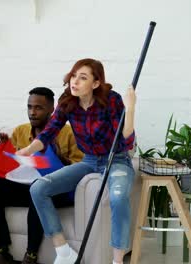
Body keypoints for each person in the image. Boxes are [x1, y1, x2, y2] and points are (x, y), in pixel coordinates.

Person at [18, 59, 136, 264]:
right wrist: (28, 150)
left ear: (96, 83)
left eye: (83, 78)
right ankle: (64, 251)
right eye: (74, 76)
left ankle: (117, 261)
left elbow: (126, 139)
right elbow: (48, 132)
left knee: (118, 198)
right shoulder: (68, 102)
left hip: (116, 159)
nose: (75, 82)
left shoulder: (111, 100)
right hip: (88, 161)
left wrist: (131, 108)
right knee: (38, 189)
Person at [0, 87, 84, 264]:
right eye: (29, 107)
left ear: (51, 110)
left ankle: (31, 254)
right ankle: (1, 250)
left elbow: (81, 169)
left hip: (57, 189)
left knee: (38, 191)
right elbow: (14, 167)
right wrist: (5, 149)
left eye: (38, 108)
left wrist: (60, 158)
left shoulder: (69, 133)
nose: (32, 112)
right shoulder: (20, 131)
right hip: (27, 185)